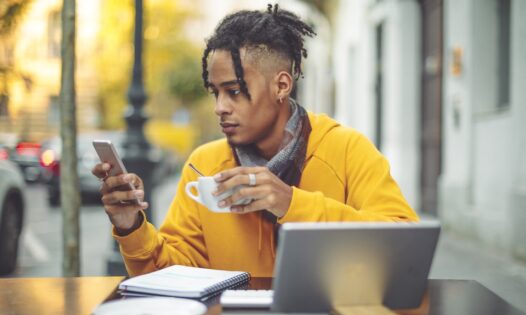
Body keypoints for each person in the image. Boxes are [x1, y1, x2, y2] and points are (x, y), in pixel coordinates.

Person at [92, 4, 418, 278]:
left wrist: (290, 202)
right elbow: (169, 276)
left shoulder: (347, 149)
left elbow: (404, 248)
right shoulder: (203, 165)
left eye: (234, 91)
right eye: (215, 93)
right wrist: (130, 226)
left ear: (281, 85)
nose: (220, 107)